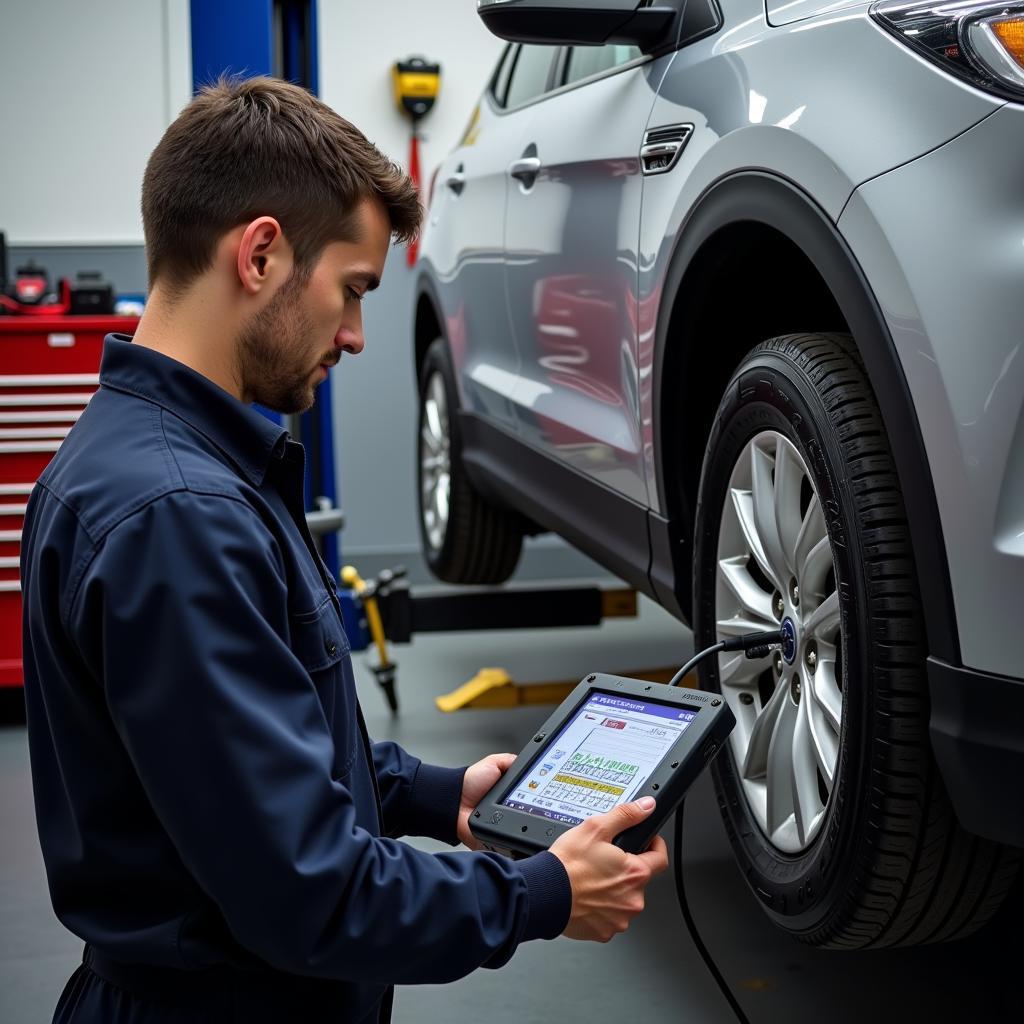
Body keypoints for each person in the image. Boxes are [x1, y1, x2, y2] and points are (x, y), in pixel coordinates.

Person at [20, 76, 669, 1024]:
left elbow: (259, 754)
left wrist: (440, 795)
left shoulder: (153, 461)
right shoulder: (180, 515)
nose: (358, 337)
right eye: (354, 290)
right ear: (262, 255)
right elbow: (311, 894)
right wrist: (544, 893)